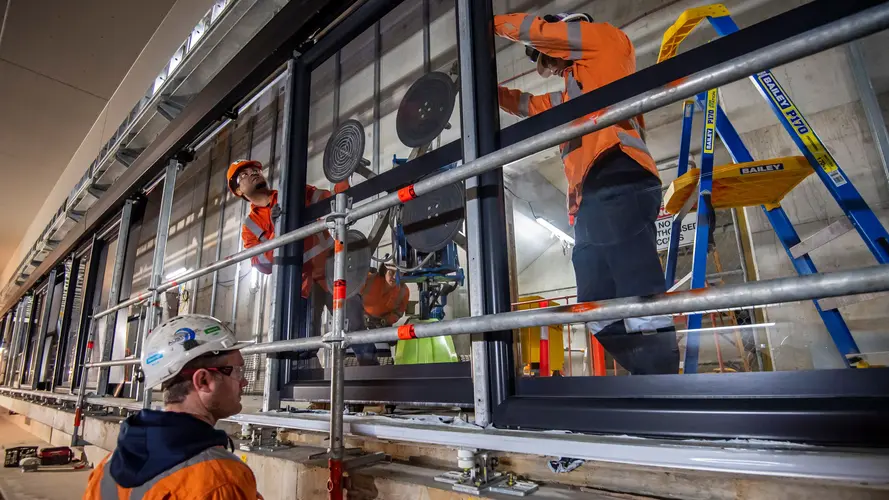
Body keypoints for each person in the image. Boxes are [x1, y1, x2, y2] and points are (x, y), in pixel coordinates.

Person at [494, 12, 679, 375]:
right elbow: (526, 106)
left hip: (620, 175)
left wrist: (490, 23)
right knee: (594, 309)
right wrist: (485, 91)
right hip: (591, 200)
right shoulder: (573, 94)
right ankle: (652, 376)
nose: (545, 60)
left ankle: (664, 384)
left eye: (547, 53)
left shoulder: (606, 40)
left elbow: (540, 32)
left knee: (637, 290)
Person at [83, 314, 263, 499]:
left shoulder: (107, 470)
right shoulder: (222, 480)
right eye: (237, 371)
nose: (244, 381)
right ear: (203, 380)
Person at [361, 263, 410, 330]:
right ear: (384, 271)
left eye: (399, 274)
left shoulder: (404, 291)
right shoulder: (368, 280)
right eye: (391, 272)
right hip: (361, 321)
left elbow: (398, 313)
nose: (395, 277)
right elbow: (354, 298)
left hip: (383, 327)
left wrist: (385, 321)